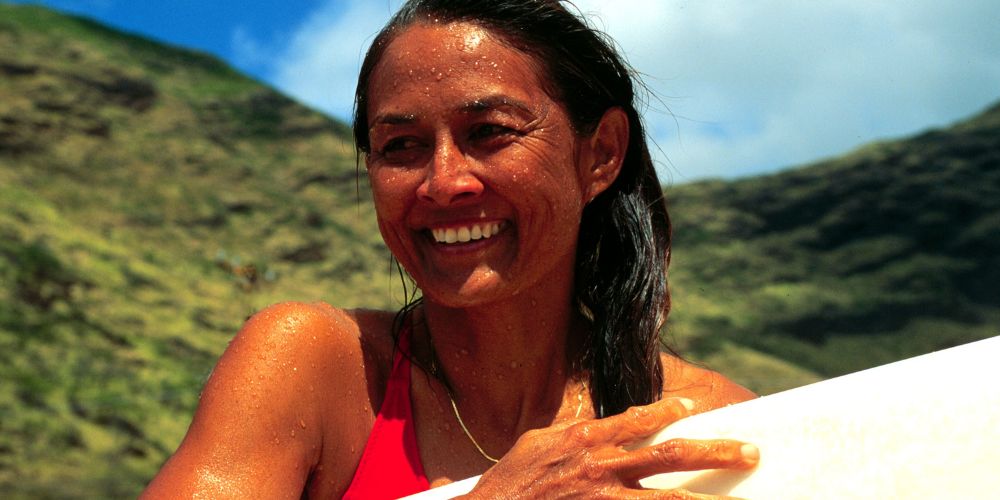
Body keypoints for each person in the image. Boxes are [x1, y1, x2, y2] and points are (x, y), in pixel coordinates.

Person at [142, 1, 759, 498]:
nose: (443, 181)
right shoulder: (316, 369)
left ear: (600, 154)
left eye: (489, 132)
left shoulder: (707, 424)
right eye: (401, 146)